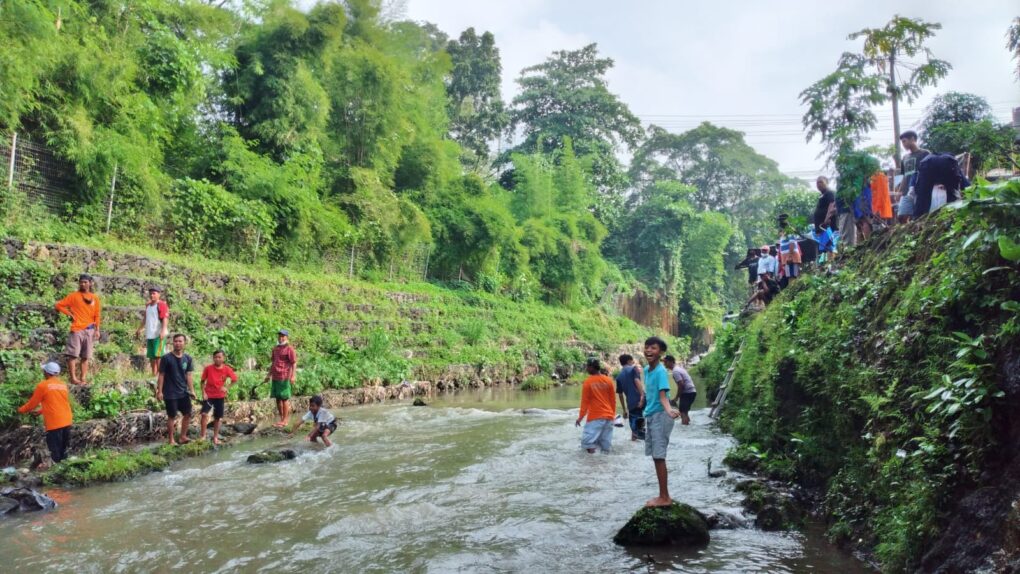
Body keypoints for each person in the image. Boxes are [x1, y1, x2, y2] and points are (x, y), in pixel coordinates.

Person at [642, 336, 681, 507]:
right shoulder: (646, 370)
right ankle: (663, 495)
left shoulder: (661, 372)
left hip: (661, 416)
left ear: (661, 353)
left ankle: (664, 497)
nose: (649, 350)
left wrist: (669, 410)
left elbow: (663, 397)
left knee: (659, 456)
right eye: (647, 347)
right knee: (656, 456)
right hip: (651, 415)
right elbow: (649, 393)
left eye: (654, 348)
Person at [18, 362, 73, 467]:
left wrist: (20, 410)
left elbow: (32, 404)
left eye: (44, 371)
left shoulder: (42, 385)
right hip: (67, 420)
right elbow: (58, 403)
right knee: (64, 450)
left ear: (47, 373)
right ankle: (65, 471)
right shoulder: (62, 385)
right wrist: (40, 411)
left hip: (55, 423)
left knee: (55, 451)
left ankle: (56, 475)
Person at [54, 274, 101, 385]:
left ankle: (83, 378)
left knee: (86, 356)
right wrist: (69, 314)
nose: (82, 284)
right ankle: (73, 378)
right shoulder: (73, 296)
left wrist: (97, 329)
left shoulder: (95, 298)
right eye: (81, 282)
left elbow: (97, 315)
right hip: (77, 329)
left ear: (90, 283)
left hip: (90, 329)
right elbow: (59, 305)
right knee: (73, 355)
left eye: (85, 282)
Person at [157, 334, 197, 446]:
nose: (178, 343)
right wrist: (159, 391)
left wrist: (192, 390)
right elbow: (161, 375)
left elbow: (189, 375)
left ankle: (183, 436)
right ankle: (171, 440)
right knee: (172, 416)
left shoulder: (188, 358)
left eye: (180, 341)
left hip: (183, 392)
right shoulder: (166, 358)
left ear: (184, 343)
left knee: (188, 414)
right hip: (170, 393)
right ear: (172, 343)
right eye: (176, 341)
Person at [575, 358, 617, 453]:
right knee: (605, 447)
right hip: (609, 417)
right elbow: (613, 401)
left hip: (595, 417)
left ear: (592, 367)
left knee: (587, 444)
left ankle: (591, 466)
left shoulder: (588, 382)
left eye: (587, 366)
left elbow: (584, 402)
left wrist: (580, 417)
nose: (586, 369)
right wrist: (612, 415)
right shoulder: (608, 380)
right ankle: (604, 465)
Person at [199, 350, 238, 445]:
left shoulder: (227, 369)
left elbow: (234, 379)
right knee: (204, 414)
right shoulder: (208, 368)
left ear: (223, 358)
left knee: (218, 417)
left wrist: (227, 387)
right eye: (215, 357)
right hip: (209, 395)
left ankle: (215, 437)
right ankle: (203, 436)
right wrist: (203, 393)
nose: (217, 359)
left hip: (220, 396)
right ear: (213, 358)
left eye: (219, 357)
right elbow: (202, 381)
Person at [263, 329, 297, 428]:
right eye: (279, 336)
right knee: (278, 398)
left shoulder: (289, 349)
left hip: (285, 376)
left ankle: (285, 420)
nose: (281, 338)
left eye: (283, 336)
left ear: (287, 337)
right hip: (275, 376)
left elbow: (294, 363)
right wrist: (268, 375)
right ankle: (281, 419)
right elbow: (273, 363)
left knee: (284, 398)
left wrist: (293, 375)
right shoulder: (275, 349)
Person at [895, 131, 931, 224]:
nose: (903, 144)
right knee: (901, 216)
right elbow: (904, 175)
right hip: (907, 191)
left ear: (913, 139)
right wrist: (899, 191)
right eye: (902, 142)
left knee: (919, 216)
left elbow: (930, 171)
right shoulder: (905, 157)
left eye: (904, 141)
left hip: (920, 189)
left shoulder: (925, 153)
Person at [135, 287, 169, 377]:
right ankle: (153, 373)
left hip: (158, 334)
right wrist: (139, 329)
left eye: (154, 293)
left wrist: (163, 330)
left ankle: (160, 374)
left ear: (159, 294)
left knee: (158, 355)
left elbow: (165, 319)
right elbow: (145, 319)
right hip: (150, 334)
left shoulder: (161, 305)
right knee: (151, 356)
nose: (152, 295)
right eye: (150, 293)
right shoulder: (148, 305)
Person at [615, 354, 645, 441]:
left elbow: (620, 395)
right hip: (639, 399)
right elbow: (637, 381)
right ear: (629, 361)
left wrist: (624, 410)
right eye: (632, 361)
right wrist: (642, 396)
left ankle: (634, 441)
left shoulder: (619, 376)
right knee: (643, 421)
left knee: (634, 423)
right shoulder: (633, 369)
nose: (633, 362)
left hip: (630, 403)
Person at [663, 355, 696, 426]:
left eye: (665, 362)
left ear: (671, 362)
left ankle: (685, 430)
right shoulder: (679, 369)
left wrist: (676, 397)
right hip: (691, 392)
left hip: (687, 393)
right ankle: (688, 427)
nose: (664, 364)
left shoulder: (675, 371)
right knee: (685, 412)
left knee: (682, 412)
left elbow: (681, 384)